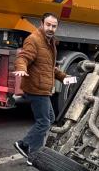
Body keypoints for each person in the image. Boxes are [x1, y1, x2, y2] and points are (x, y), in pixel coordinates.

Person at [13, 14, 76, 162]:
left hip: (43, 88)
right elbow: (23, 57)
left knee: (49, 119)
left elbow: (48, 67)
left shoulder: (49, 42)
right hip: (36, 88)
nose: (51, 28)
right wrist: (21, 67)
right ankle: (24, 145)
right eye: (48, 25)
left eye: (54, 26)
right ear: (42, 24)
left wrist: (64, 77)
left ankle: (33, 154)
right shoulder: (34, 40)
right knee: (44, 122)